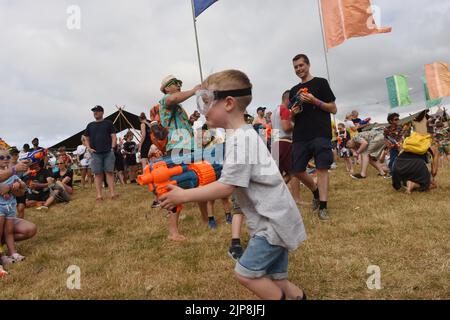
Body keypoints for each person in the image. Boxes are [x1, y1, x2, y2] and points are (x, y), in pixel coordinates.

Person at [161, 69, 307, 300]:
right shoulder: (241, 136)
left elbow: (226, 187)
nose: (202, 109)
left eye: (207, 101)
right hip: (274, 217)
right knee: (278, 279)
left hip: (272, 223)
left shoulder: (241, 140)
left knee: (246, 274)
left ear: (228, 103)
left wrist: (183, 196)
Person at [157, 75, 206, 241]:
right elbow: (173, 98)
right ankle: (173, 232)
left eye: (179, 83)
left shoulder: (178, 107)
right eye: (175, 83)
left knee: (200, 181)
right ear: (166, 88)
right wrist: (193, 91)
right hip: (177, 149)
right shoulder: (165, 100)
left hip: (188, 147)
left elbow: (180, 125)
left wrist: (190, 120)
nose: (178, 86)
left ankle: (205, 220)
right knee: (175, 188)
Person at [289, 54, 337, 220]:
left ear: (308, 65)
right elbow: (292, 118)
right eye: (295, 67)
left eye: (301, 65)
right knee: (297, 170)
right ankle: (316, 192)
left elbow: (333, 109)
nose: (299, 69)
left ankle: (323, 206)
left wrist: (315, 100)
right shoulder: (294, 91)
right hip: (300, 135)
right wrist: (293, 114)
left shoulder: (321, 83)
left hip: (320, 132)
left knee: (322, 168)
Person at [271, 90, 301, 204]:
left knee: (280, 174)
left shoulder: (274, 111)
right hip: (284, 142)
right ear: (288, 99)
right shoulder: (284, 109)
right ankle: (296, 198)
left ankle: (274, 195)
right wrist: (297, 124)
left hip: (275, 143)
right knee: (294, 172)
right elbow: (286, 128)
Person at [84, 105, 119, 201]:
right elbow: (86, 138)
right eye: (94, 111)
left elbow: (113, 136)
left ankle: (112, 194)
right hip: (95, 153)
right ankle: (99, 196)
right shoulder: (90, 125)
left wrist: (112, 147)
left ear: (102, 112)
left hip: (108, 152)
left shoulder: (108, 123)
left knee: (109, 172)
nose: (95, 113)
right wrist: (88, 148)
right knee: (98, 174)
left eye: (97, 111)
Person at [0, 148, 27, 266]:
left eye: (7, 157)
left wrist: (20, 184)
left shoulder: (12, 174)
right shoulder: (6, 173)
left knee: (9, 231)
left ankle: (13, 253)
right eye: (1, 157)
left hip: (10, 207)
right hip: (0, 207)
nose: (5, 159)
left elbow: (23, 188)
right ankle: (1, 256)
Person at [9, 147, 27, 219]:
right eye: (12, 154)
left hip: (20, 188)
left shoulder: (21, 165)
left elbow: (25, 177)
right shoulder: (5, 166)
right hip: (9, 190)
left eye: (16, 154)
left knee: (21, 208)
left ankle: (20, 223)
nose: (14, 156)